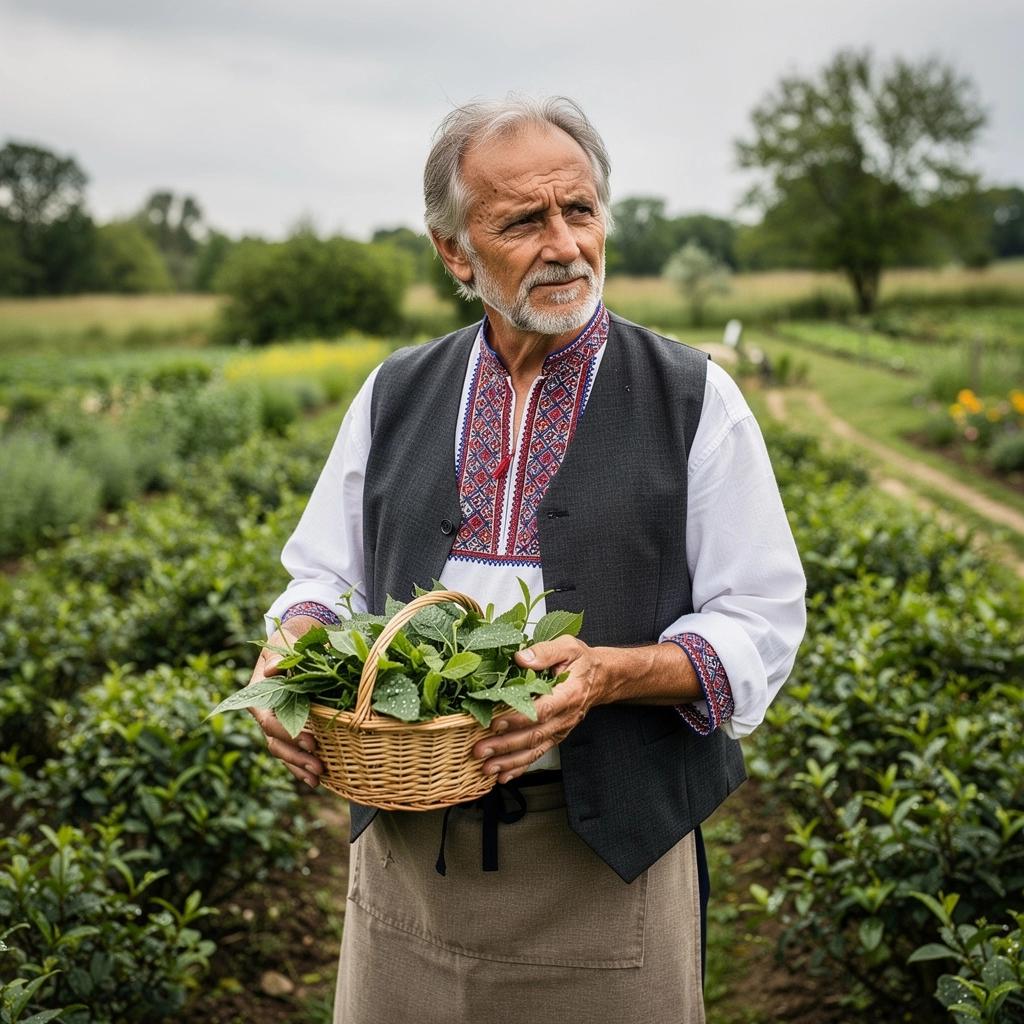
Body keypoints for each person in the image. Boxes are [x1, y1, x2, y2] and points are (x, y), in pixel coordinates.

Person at [248, 95, 806, 1024]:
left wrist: (610, 675)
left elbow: (761, 620)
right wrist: (290, 655)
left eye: (579, 210)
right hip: (408, 855)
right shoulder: (395, 392)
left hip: (606, 860)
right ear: (454, 253)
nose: (565, 245)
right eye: (522, 221)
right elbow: (324, 575)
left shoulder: (694, 397)